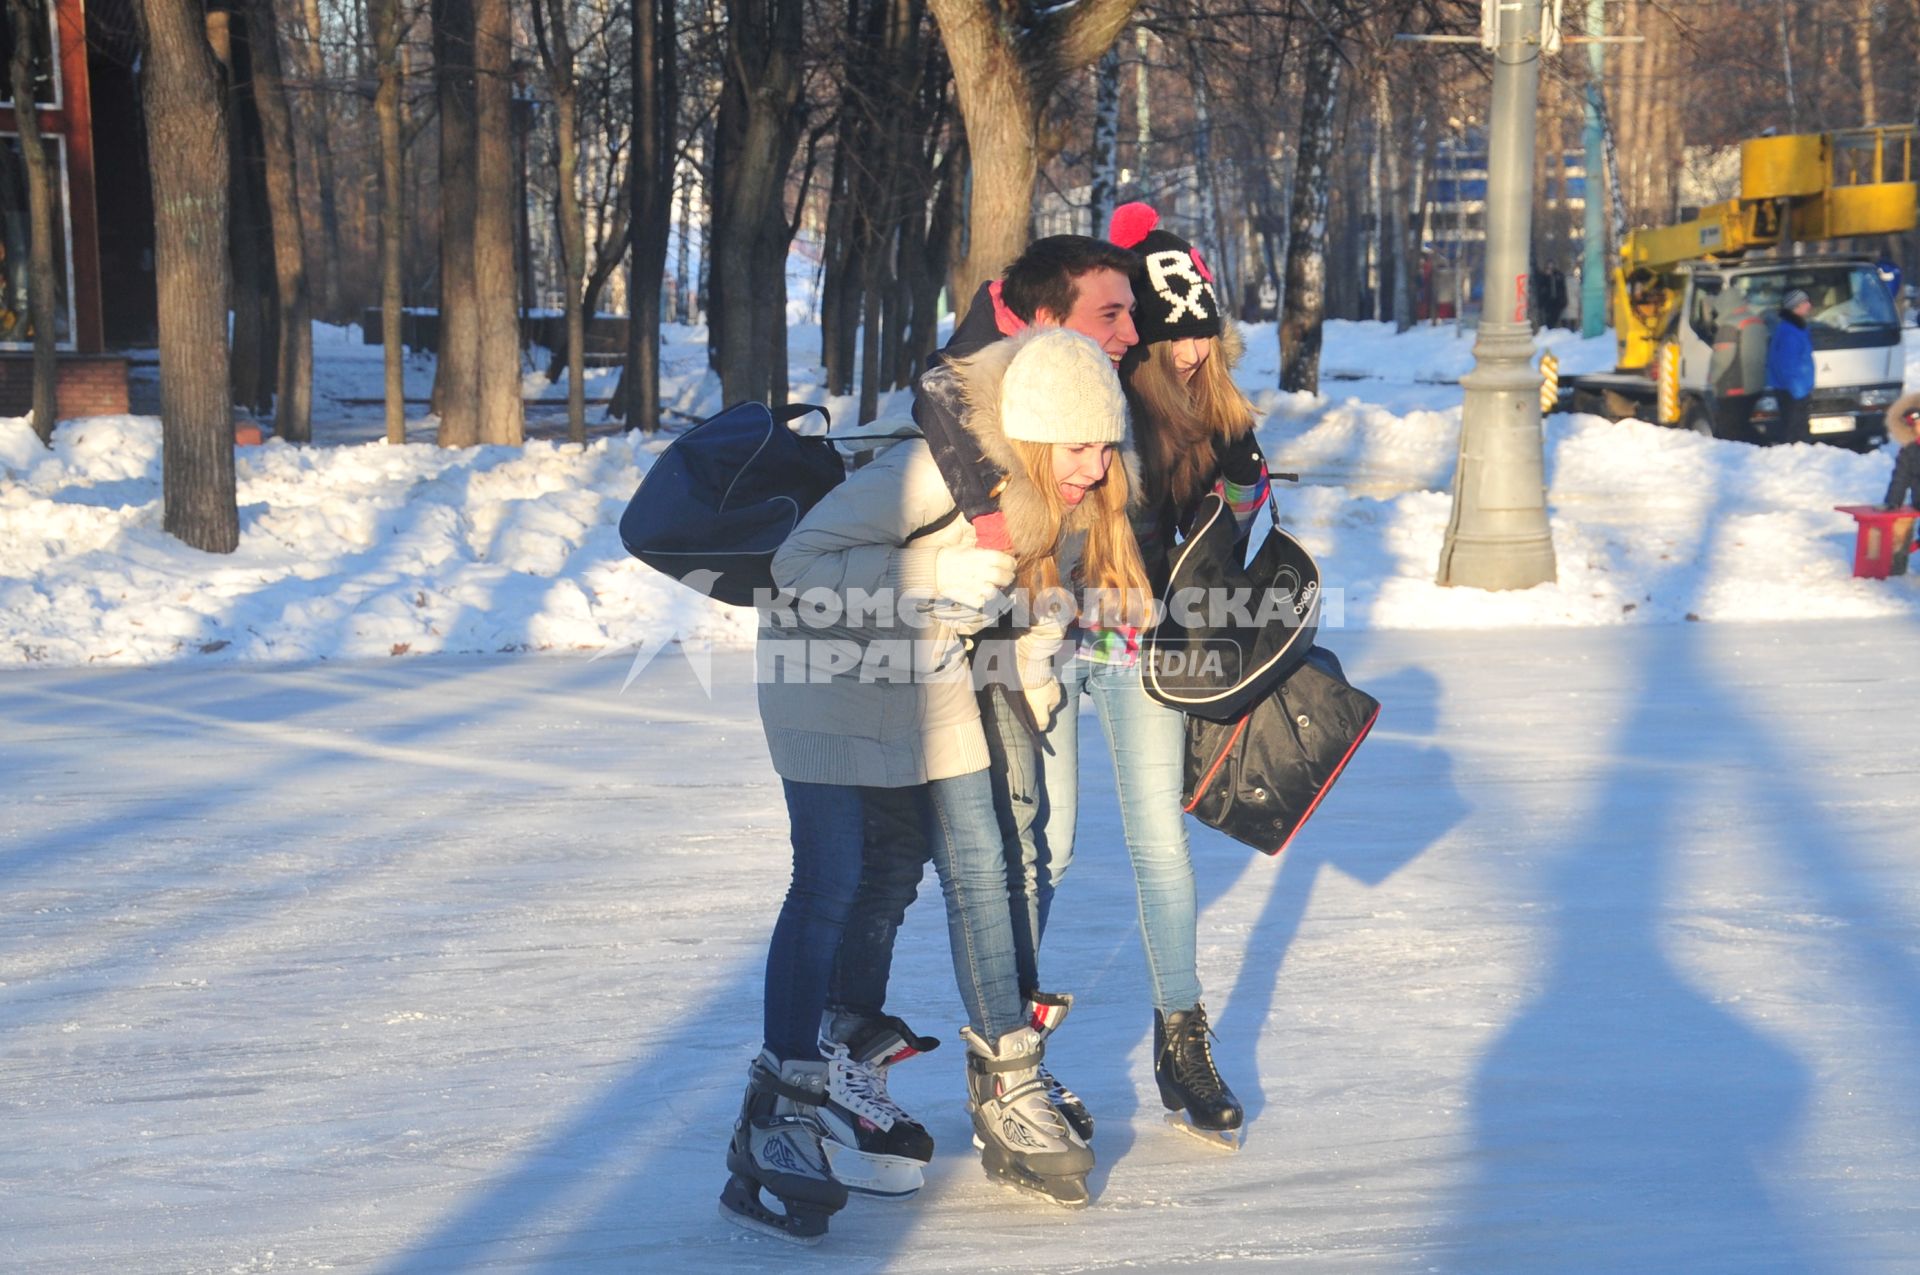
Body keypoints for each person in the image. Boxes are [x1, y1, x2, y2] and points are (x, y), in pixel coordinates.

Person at [721, 327, 1142, 1238]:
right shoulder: (927, 474)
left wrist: (1033, 670)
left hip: (928, 676)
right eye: (1079, 446)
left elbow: (1041, 601)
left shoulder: (1062, 498)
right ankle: (782, 1104)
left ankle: (1009, 1077)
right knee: (833, 878)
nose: (1097, 466)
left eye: (1107, 446)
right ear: (1032, 434)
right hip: (825, 678)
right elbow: (798, 570)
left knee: (980, 861)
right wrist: (941, 571)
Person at [922, 204, 1261, 1151]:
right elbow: (941, 389)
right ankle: (1014, 1057)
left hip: (1131, 633)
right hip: (1034, 635)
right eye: (1117, 318)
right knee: (1047, 844)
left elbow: (1221, 510)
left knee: (1160, 838)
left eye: (1140, 322)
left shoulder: (1161, 390)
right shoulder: (1018, 370)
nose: (1140, 339)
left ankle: (1183, 1039)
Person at [1766, 288, 1816, 442]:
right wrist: (1799, 391)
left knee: (1797, 431)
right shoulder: (1790, 332)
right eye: (1805, 302)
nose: (1809, 305)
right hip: (1793, 391)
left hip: (1795, 390)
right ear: (1796, 307)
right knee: (1795, 433)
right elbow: (1788, 366)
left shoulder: (1794, 328)